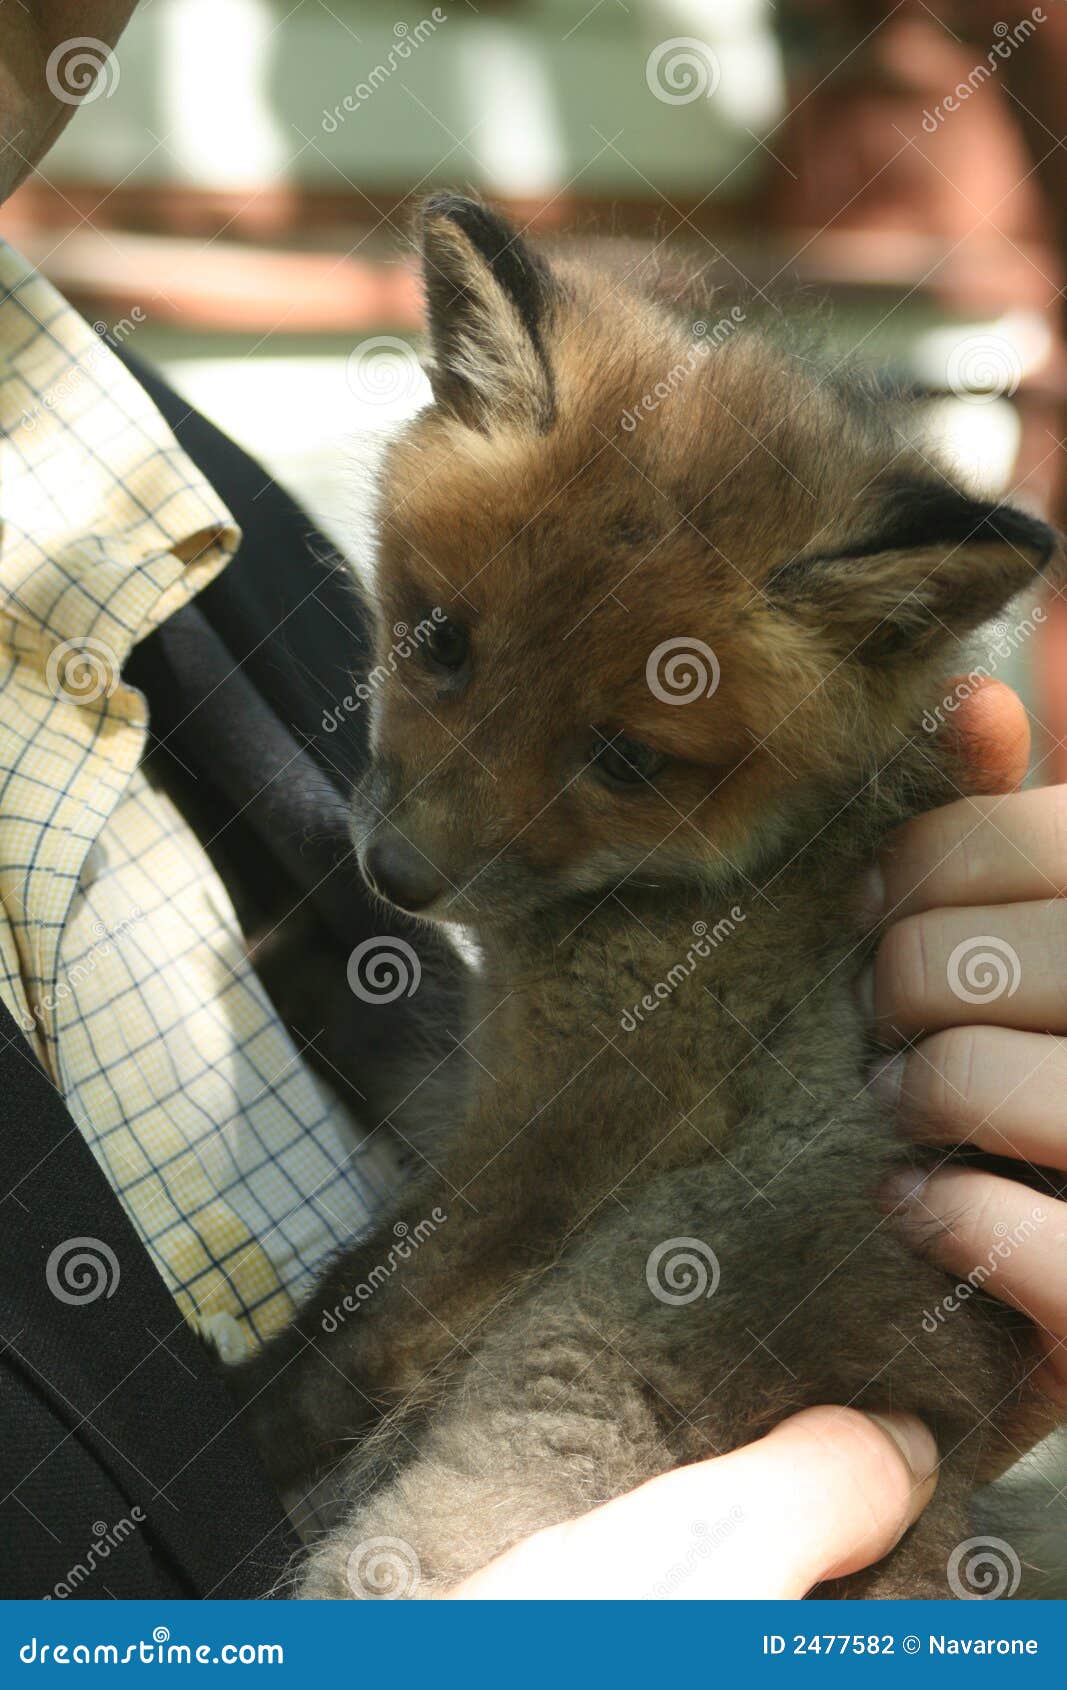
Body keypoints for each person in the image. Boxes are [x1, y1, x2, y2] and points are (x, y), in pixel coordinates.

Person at [0, 4, 1062, 1601]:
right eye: (437, 647)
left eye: (626, 757)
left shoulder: (214, 548)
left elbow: (493, 1249)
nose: (425, 840)